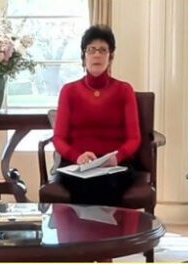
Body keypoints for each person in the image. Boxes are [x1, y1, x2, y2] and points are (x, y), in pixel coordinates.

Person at [53, 24, 141, 206]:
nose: (97, 55)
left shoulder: (124, 90)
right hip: (77, 164)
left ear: (111, 57)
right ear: (84, 56)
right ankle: (84, 234)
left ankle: (108, 234)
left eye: (103, 50)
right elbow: (59, 138)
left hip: (114, 166)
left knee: (108, 183)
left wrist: (117, 157)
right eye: (91, 49)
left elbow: (134, 138)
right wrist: (78, 156)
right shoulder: (69, 91)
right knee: (84, 183)